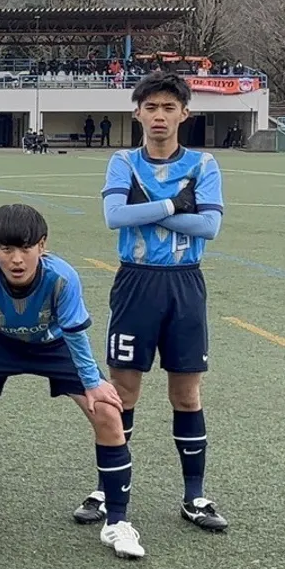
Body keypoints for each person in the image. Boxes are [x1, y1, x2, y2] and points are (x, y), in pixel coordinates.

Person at [0, 204, 143, 557]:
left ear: (42, 246)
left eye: (26, 248)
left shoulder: (62, 277)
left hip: (54, 345)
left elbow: (76, 336)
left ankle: (118, 523)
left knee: (108, 412)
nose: (17, 259)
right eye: (6, 249)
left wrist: (93, 383)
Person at [81, 71, 228, 533]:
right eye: (151, 107)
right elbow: (114, 217)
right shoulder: (123, 161)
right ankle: (107, 490)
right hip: (135, 284)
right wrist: (174, 206)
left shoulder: (203, 165)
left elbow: (209, 227)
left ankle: (195, 496)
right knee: (122, 391)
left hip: (184, 285)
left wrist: (146, 211)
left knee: (186, 393)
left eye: (168, 107)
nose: (159, 116)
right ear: (137, 113)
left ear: (185, 113)